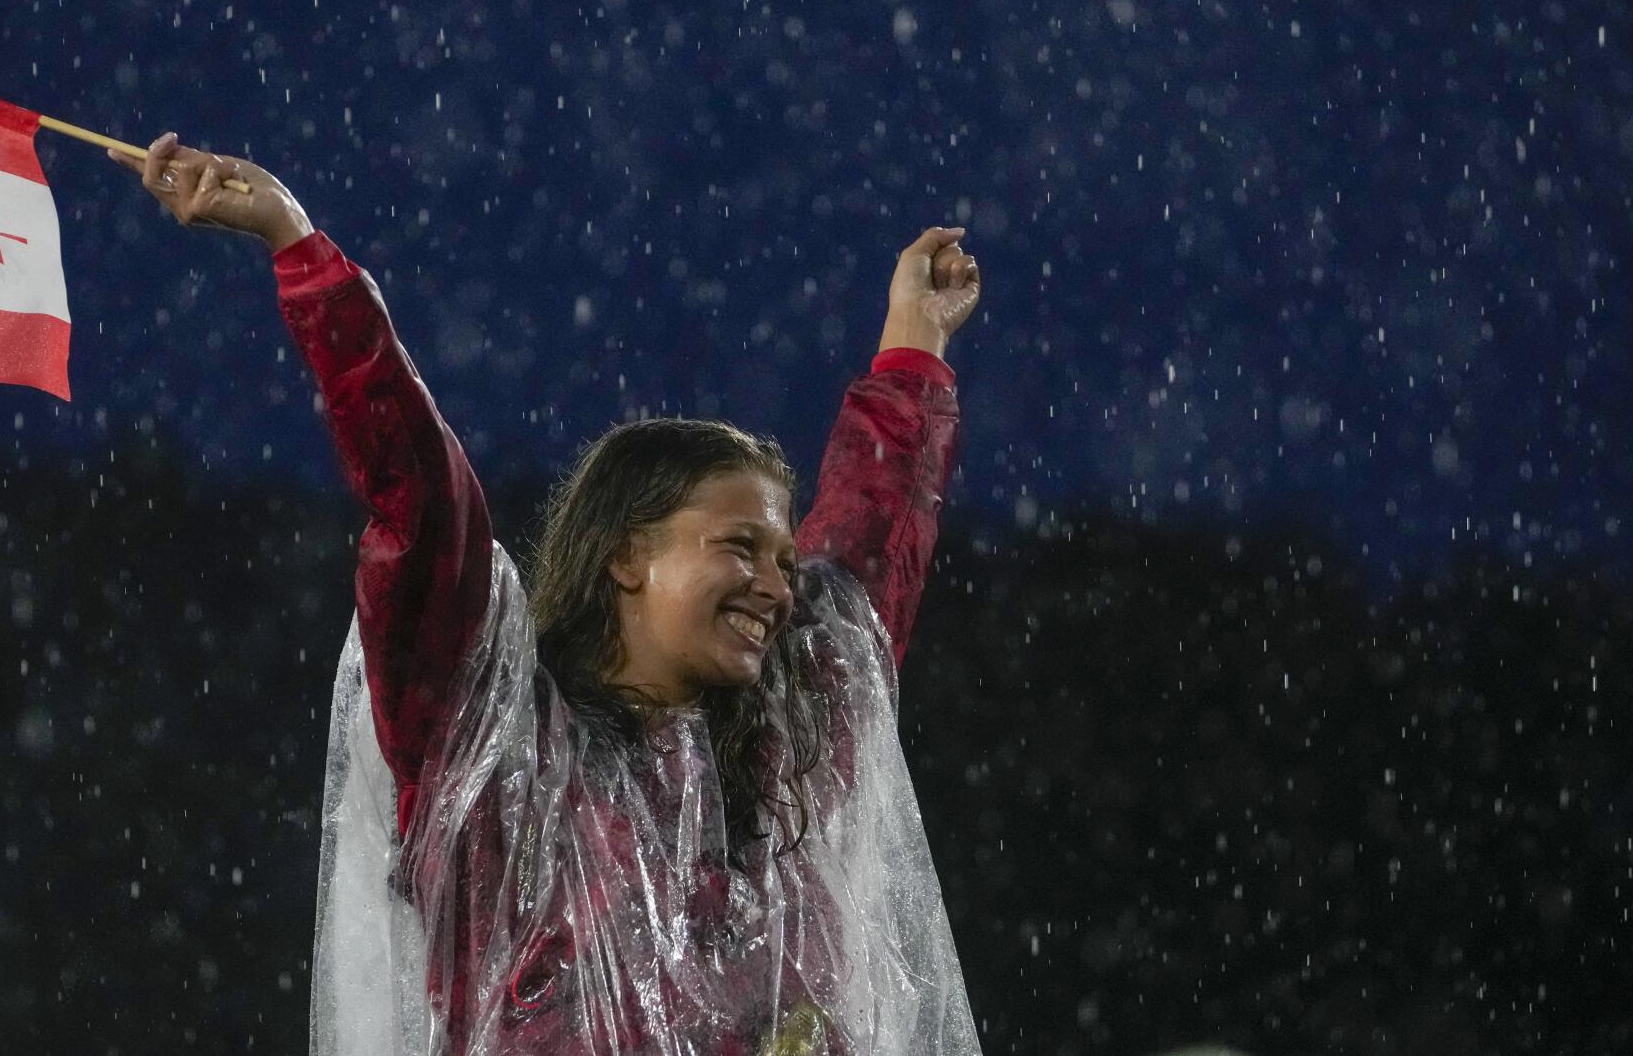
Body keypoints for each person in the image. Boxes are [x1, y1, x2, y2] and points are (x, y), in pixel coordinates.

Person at [119, 133, 985, 1055]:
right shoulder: (500, 762)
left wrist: (915, 343)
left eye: (782, 556)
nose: (778, 586)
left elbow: (866, 553)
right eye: (740, 547)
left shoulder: (784, 758)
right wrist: (303, 254)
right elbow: (422, 503)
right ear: (625, 558)